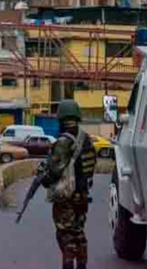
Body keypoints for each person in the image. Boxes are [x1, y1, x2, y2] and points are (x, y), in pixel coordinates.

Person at [40, 100, 97, 269]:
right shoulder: (86, 139)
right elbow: (90, 166)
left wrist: (44, 179)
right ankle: (81, 265)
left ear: (61, 118)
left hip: (67, 197)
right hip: (83, 195)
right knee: (79, 233)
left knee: (65, 235)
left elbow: (53, 172)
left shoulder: (63, 142)